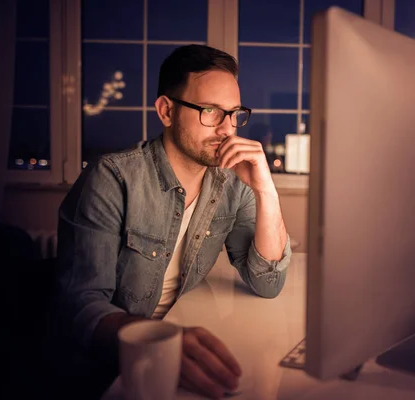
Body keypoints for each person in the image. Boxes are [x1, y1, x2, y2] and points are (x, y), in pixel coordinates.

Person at [53, 44, 291, 399]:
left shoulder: (232, 182)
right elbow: (81, 305)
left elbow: (268, 282)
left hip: (177, 343)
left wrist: (266, 191)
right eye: (210, 111)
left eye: (234, 113)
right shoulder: (113, 178)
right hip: (106, 368)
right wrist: (157, 341)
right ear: (166, 111)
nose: (227, 129)